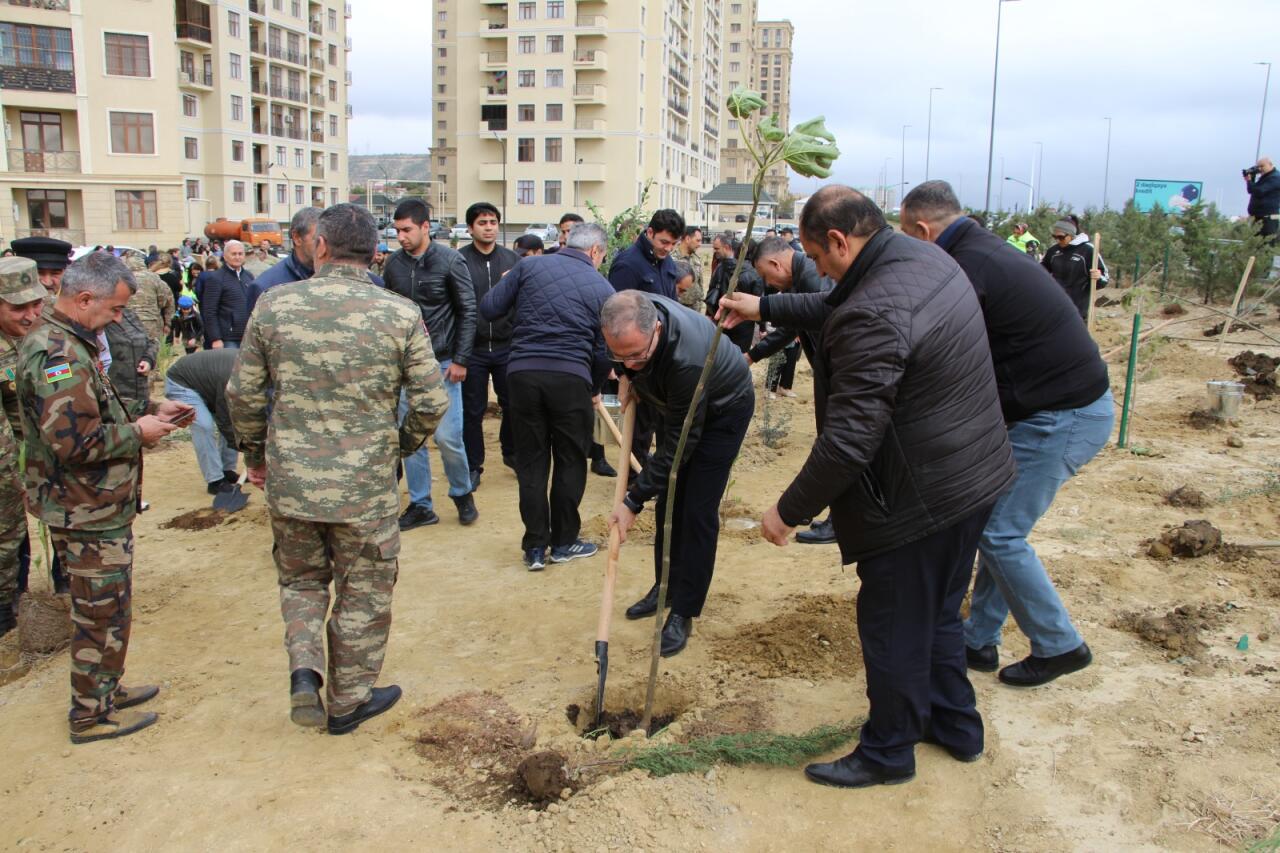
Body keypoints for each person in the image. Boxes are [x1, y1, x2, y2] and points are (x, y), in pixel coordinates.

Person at [718, 185, 1015, 789]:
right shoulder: (916, 259)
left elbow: (851, 440)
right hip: (973, 475)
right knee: (934, 615)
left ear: (838, 240)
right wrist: (764, 309)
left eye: (820, 260)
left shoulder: (877, 308)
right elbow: (838, 305)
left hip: (922, 495)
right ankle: (955, 726)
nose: (820, 274)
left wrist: (788, 510)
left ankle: (888, 751)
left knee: (893, 623)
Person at [227, 203, 449, 734]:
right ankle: (348, 700)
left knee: (301, 582)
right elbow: (431, 401)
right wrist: (396, 448)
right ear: (376, 252)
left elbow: (244, 394)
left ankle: (305, 673)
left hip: (292, 481)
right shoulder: (398, 313)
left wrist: (256, 457)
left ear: (319, 246)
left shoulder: (274, 305)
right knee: (363, 589)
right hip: (364, 487)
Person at [900, 181, 1111, 686]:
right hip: (1055, 408)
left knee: (999, 532)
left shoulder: (966, 267)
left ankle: (1060, 644)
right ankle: (980, 638)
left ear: (923, 230)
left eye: (906, 238)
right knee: (999, 526)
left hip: (1061, 415)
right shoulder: (981, 251)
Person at [18, 251, 194, 743]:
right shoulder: (58, 353)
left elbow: (96, 407)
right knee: (98, 613)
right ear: (84, 298)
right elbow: (73, 442)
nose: (119, 319)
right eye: (115, 310)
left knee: (111, 607)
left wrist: (153, 405)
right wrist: (140, 432)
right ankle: (90, 715)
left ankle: (105, 690)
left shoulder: (73, 341)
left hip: (97, 504)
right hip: (83, 506)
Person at [605, 290, 754, 657]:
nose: (632, 363)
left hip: (723, 409)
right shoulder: (626, 312)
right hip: (676, 400)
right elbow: (629, 359)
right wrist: (626, 374)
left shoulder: (687, 361)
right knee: (669, 502)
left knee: (696, 510)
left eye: (638, 355)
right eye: (620, 356)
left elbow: (679, 446)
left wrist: (633, 499)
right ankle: (666, 587)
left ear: (656, 328)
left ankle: (684, 610)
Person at [478, 222, 613, 571]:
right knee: (570, 460)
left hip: (522, 374)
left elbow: (490, 308)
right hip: (571, 379)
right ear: (596, 252)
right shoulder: (602, 287)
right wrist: (594, 387)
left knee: (532, 462)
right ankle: (565, 542)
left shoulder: (529, 265)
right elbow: (602, 352)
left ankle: (535, 547)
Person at [384, 198, 477, 529]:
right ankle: (421, 504)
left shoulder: (451, 262)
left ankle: (462, 493)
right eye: (397, 231)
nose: (401, 237)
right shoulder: (393, 265)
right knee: (410, 438)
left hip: (443, 362)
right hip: (405, 367)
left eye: (407, 229)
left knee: (448, 436)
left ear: (426, 227)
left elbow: (468, 310)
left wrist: (462, 359)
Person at [748, 235, 836, 545]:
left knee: (836, 444)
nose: (768, 284)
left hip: (839, 374)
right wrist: (752, 355)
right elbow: (791, 328)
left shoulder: (811, 277)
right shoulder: (802, 279)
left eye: (765, 276)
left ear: (775, 263)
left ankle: (837, 521)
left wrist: (760, 308)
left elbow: (813, 316)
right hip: (831, 373)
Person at [458, 201, 520, 490]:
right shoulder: (458, 261)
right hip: (474, 349)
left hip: (508, 345)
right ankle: (473, 465)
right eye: (482, 223)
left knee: (513, 404)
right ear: (471, 228)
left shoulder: (513, 260)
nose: (488, 228)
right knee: (473, 409)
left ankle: (512, 454)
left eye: (493, 222)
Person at [0, 258, 45, 636]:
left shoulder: (35, 338)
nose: (30, 315)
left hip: (23, 460)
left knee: (15, 541)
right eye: (18, 308)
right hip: (6, 469)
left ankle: (16, 604)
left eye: (36, 305)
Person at [165, 349, 242, 495]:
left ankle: (227, 470)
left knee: (236, 421)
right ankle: (215, 481)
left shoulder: (254, 370)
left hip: (208, 384)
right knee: (204, 426)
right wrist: (247, 450)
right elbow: (224, 417)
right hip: (181, 382)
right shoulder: (233, 376)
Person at [246, 207, 322, 312]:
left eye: (328, 239)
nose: (324, 245)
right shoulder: (265, 287)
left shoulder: (336, 279)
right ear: (297, 238)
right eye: (317, 239)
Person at [705, 235, 765, 353]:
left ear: (728, 248)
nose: (715, 252)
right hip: (739, 323)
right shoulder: (722, 267)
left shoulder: (722, 268)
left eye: (717, 249)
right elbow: (759, 302)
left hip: (727, 321)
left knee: (723, 356)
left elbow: (759, 302)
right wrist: (762, 327)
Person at [608, 209, 685, 298]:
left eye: (674, 244)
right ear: (650, 233)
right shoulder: (626, 265)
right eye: (664, 242)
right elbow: (618, 308)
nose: (669, 249)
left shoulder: (668, 261)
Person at [1040, 220, 1102, 320]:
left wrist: (1098, 277)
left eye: (1061, 237)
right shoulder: (1053, 251)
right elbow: (1041, 271)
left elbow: (1104, 277)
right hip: (1056, 306)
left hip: (1079, 309)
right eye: (1055, 237)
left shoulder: (1088, 250)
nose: (1058, 240)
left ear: (1071, 235)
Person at [103, 305, 156, 418]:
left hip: (140, 394)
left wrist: (148, 360)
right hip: (114, 397)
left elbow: (151, 341)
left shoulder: (129, 314)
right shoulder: (97, 320)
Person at [201, 239, 254, 349]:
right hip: (228, 339)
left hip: (248, 336)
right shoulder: (216, 278)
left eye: (240, 254)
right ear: (225, 256)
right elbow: (209, 311)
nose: (237, 257)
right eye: (233, 254)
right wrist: (215, 338)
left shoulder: (248, 276)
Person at [122, 254, 174, 348]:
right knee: (152, 351)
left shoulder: (121, 279)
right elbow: (166, 300)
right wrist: (168, 323)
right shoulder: (154, 278)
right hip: (151, 322)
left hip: (127, 323)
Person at [1245, 156, 1280, 244]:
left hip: (1268, 220)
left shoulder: (1275, 177)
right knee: (1254, 246)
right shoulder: (1264, 178)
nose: (1260, 169)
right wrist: (1250, 180)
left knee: (1266, 247)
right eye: (1258, 167)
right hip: (1258, 219)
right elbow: (1251, 190)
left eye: (1262, 166)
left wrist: (1250, 182)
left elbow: (1259, 191)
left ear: (1270, 164)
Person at [675, 226, 705, 313]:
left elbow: (700, 283)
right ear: (688, 239)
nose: (700, 244)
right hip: (680, 309)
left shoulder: (696, 258)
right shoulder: (672, 259)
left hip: (696, 309)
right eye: (698, 240)